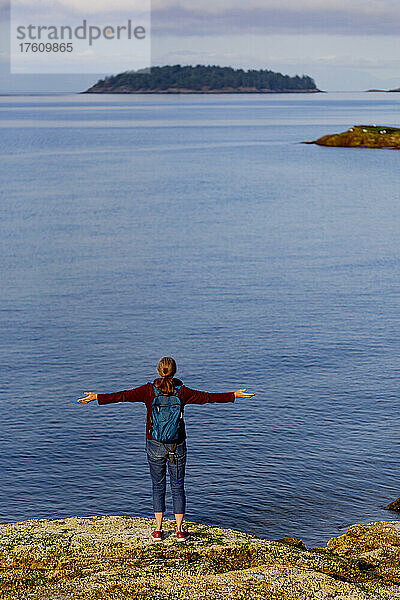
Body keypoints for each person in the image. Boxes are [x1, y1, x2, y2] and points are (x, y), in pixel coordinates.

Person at [77, 356, 254, 542]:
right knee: (178, 486)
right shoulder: (182, 392)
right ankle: (179, 531)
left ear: (159, 370)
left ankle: (158, 530)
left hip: (154, 443)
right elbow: (208, 397)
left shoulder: (148, 390)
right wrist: (234, 395)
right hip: (177, 444)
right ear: (175, 371)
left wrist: (97, 397)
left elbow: (123, 396)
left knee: (157, 486)